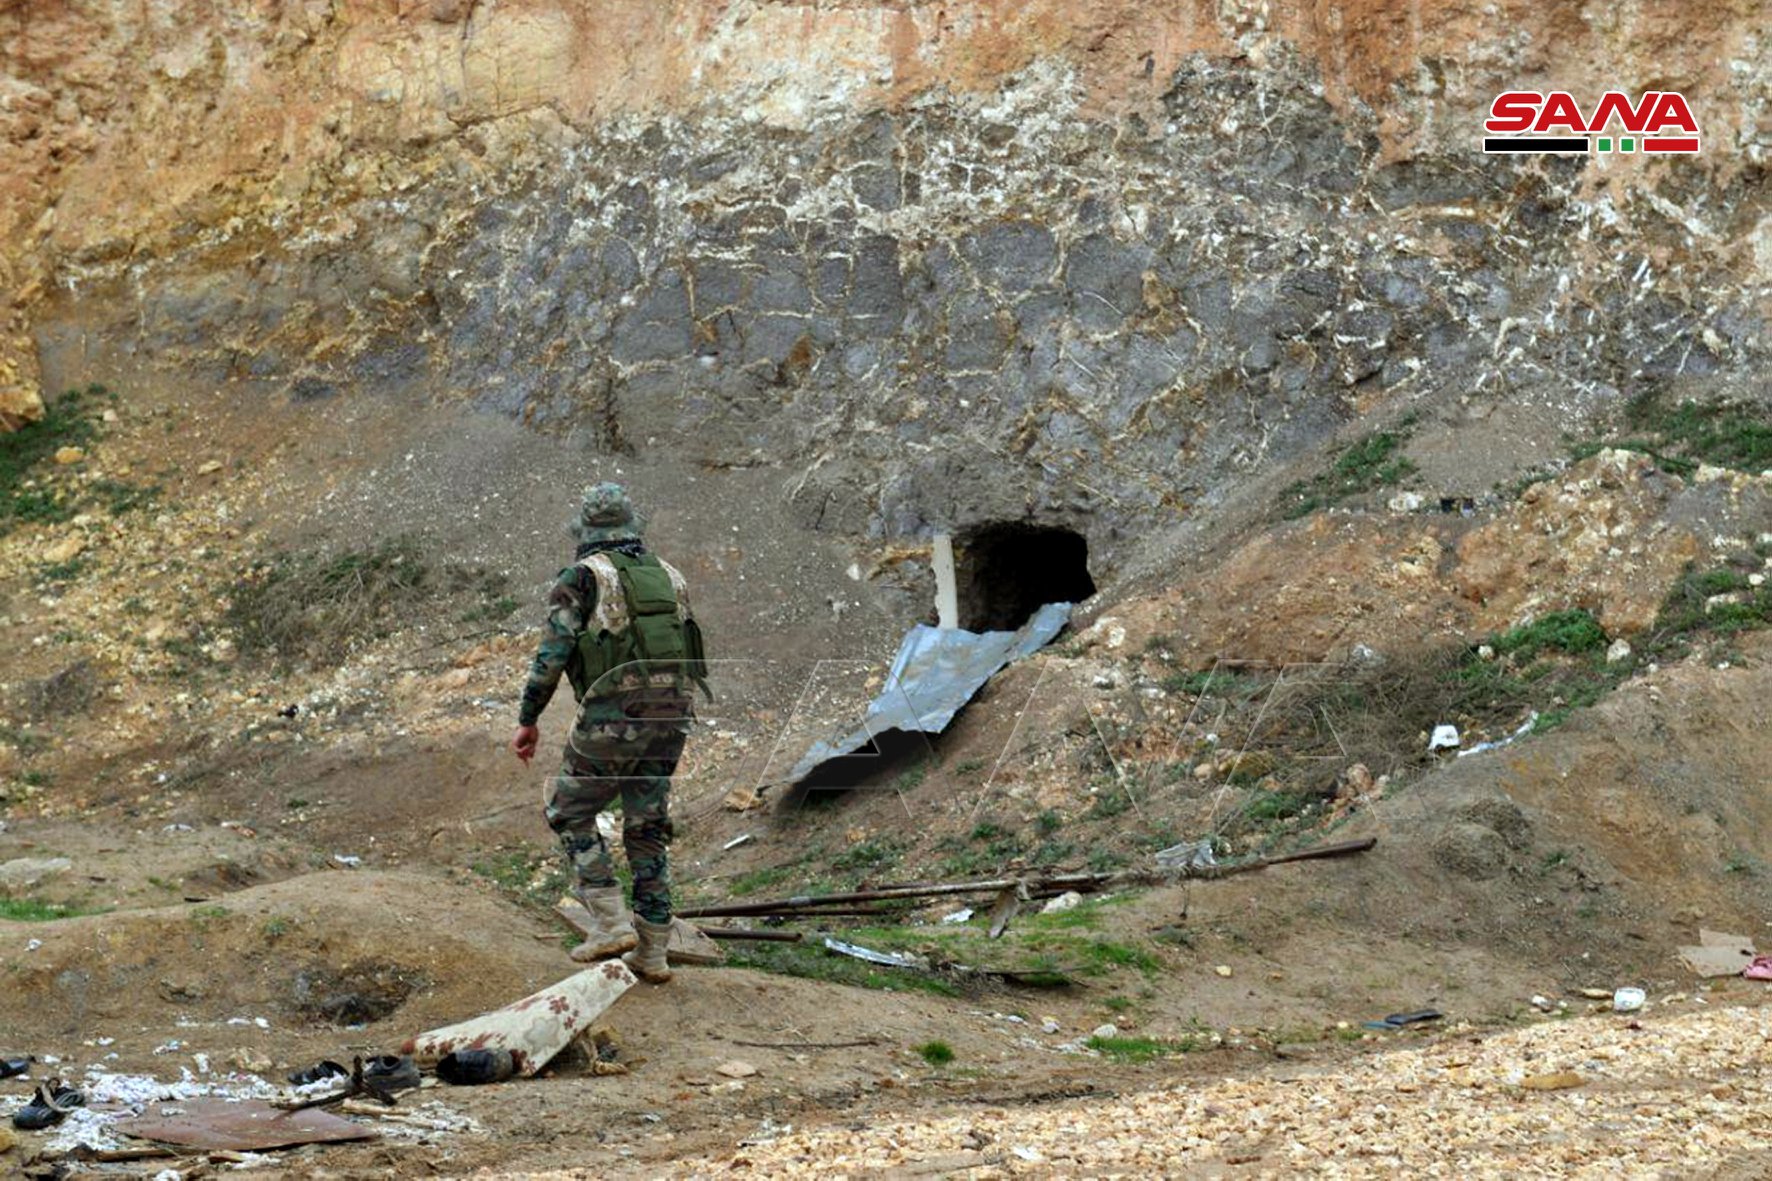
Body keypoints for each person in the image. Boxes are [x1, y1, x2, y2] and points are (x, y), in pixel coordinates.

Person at [510, 483, 706, 983]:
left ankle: (610, 923)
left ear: (587, 533)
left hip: (614, 712)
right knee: (646, 827)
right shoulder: (670, 575)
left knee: (570, 811)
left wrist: (528, 718)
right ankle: (654, 953)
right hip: (672, 714)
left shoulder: (579, 578)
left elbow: (551, 657)